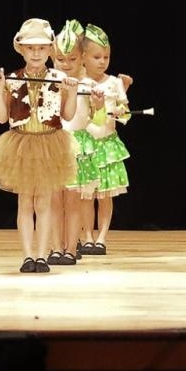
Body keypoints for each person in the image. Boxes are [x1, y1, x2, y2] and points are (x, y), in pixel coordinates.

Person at [0, 17, 80, 273]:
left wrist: (71, 93)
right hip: (22, 144)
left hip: (51, 144)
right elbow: (2, 117)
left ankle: (42, 255)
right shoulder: (13, 79)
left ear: (50, 49)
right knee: (25, 201)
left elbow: (68, 116)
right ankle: (28, 256)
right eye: (30, 47)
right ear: (21, 49)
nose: (36, 53)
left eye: (41, 47)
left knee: (45, 201)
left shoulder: (58, 78)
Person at [74, 23, 130, 254]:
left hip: (107, 145)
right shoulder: (78, 81)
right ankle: (86, 235)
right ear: (84, 57)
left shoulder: (114, 83)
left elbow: (125, 112)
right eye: (97, 56)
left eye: (106, 56)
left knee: (105, 195)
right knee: (86, 195)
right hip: (85, 144)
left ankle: (102, 238)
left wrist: (120, 111)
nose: (102, 61)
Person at [50, 19, 89, 266]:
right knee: (53, 200)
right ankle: (55, 247)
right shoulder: (48, 81)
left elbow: (96, 113)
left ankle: (71, 247)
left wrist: (97, 100)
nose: (66, 65)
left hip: (77, 147)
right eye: (61, 59)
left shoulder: (88, 84)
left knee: (73, 201)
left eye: (72, 59)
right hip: (53, 144)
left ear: (82, 57)